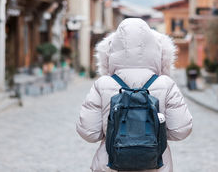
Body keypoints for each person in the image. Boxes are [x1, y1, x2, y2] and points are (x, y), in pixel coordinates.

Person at [76, 18, 193, 172]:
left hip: (111, 165)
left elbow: (89, 133)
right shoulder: (165, 84)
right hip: (155, 165)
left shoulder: (103, 84)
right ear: (157, 51)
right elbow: (180, 130)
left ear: (111, 51)